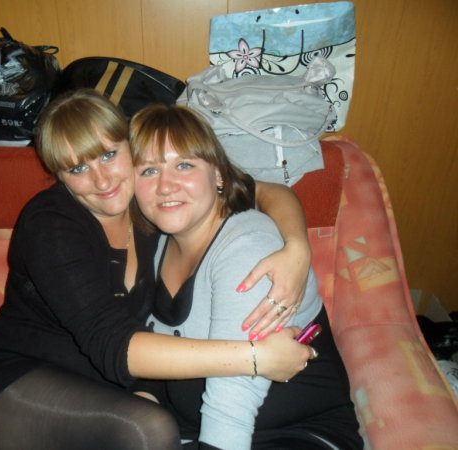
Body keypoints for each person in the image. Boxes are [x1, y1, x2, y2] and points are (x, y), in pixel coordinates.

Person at [0, 89, 315, 449]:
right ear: (60, 176)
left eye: (108, 155)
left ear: (131, 147)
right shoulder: (51, 225)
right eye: (78, 168)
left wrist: (297, 247)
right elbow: (113, 342)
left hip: (101, 393)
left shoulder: (152, 201)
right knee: (149, 429)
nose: (102, 181)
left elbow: (264, 192)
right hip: (13, 389)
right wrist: (255, 358)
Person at [129, 104, 363, 450]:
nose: (165, 186)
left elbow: (231, 408)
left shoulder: (248, 249)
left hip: (293, 436)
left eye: (184, 165)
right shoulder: (156, 244)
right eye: (149, 170)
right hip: (185, 431)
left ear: (218, 175)